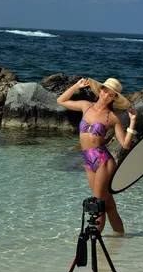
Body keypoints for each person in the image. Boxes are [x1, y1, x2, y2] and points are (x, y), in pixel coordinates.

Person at [57, 77, 137, 233]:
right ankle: (120, 239)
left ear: (114, 98)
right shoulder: (85, 106)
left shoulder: (112, 117)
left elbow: (125, 144)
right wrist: (77, 86)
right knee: (108, 205)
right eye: (105, 91)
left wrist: (132, 121)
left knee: (97, 203)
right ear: (100, 90)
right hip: (88, 160)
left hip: (102, 161)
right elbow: (61, 100)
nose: (105, 95)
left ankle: (94, 241)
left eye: (110, 94)